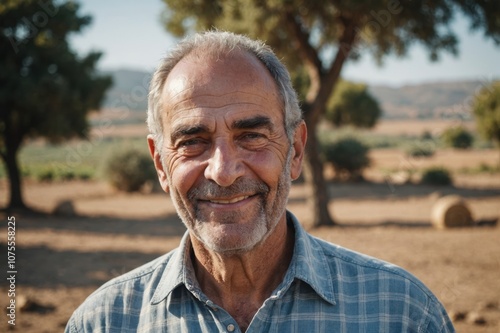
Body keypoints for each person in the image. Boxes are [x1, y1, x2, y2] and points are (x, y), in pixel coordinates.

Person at [65, 31, 455, 333]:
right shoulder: (104, 322)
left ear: (296, 151)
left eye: (251, 136)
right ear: (161, 166)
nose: (223, 170)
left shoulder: (401, 313)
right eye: (192, 142)